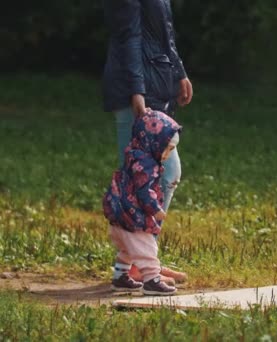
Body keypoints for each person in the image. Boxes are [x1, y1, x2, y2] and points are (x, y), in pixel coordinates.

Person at [102, 0, 193, 284]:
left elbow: (162, 32)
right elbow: (128, 36)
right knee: (157, 176)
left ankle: (134, 263)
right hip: (136, 91)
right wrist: (136, 90)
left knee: (153, 179)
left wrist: (178, 72)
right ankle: (139, 262)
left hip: (154, 83)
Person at [103, 111, 181, 295]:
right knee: (146, 248)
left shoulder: (134, 154)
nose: (168, 154)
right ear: (154, 141)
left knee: (128, 249)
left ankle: (120, 277)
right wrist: (155, 209)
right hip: (133, 217)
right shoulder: (146, 164)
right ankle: (152, 280)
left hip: (120, 216)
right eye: (167, 148)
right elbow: (144, 190)